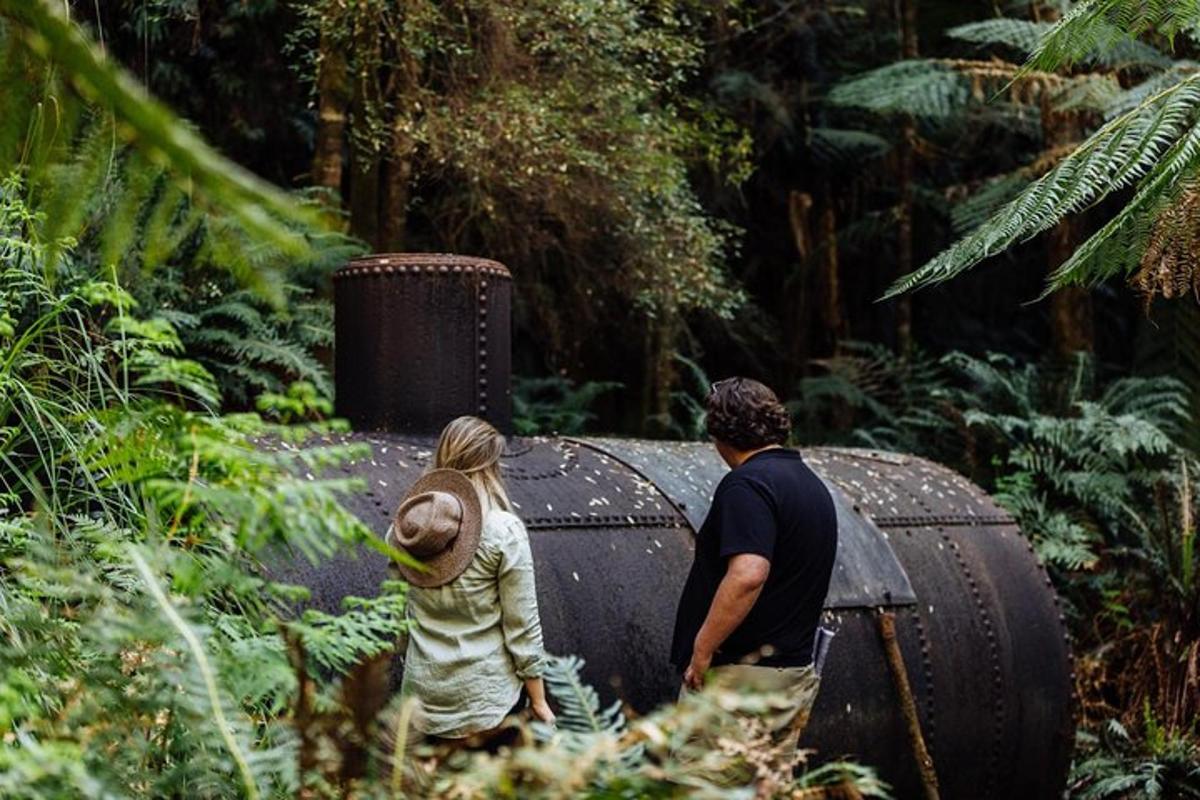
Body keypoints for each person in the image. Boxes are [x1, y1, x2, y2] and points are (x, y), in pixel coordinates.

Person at [670, 377, 838, 750]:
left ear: (719, 432)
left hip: (740, 683)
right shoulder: (811, 485)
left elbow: (748, 573)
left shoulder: (747, 485)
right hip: (791, 675)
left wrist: (702, 650)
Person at [387, 415, 555, 743]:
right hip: (488, 705)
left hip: (423, 706)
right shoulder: (503, 531)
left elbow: (396, 628)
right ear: (489, 464)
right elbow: (522, 627)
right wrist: (538, 700)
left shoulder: (403, 533)